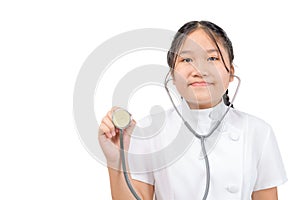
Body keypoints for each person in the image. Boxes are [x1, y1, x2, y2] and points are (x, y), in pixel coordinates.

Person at [98, 21, 287, 200]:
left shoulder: (258, 132)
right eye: (187, 59)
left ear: (230, 73)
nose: (199, 69)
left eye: (212, 58)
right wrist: (117, 160)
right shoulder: (149, 130)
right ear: (172, 74)